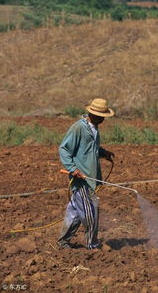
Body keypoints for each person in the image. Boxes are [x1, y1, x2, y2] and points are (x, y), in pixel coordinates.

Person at [57, 98, 115, 249]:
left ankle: (63, 241)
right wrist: (73, 169)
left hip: (91, 177)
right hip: (82, 179)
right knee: (91, 212)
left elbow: (90, 148)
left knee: (76, 212)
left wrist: (103, 152)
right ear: (92, 113)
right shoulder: (78, 128)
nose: (102, 119)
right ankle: (92, 244)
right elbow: (64, 149)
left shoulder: (94, 128)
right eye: (101, 116)